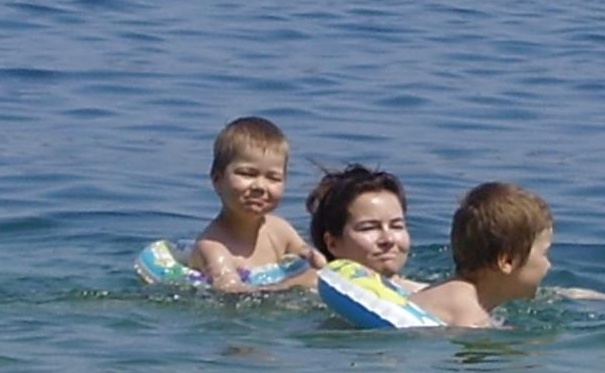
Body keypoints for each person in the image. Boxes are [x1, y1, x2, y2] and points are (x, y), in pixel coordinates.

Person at [188, 116, 323, 291]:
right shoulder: (213, 247)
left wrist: (315, 258)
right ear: (217, 179)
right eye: (247, 174)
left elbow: (305, 252)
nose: (260, 186)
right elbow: (230, 292)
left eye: (273, 178)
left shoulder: (279, 229)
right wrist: (295, 284)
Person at [409, 182, 554, 328]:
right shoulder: (468, 312)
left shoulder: (449, 291)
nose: (549, 265)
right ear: (507, 261)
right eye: (545, 254)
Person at [306, 164, 426, 293]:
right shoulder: (310, 289)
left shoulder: (427, 295)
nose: (389, 239)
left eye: (397, 226)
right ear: (332, 244)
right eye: (369, 228)